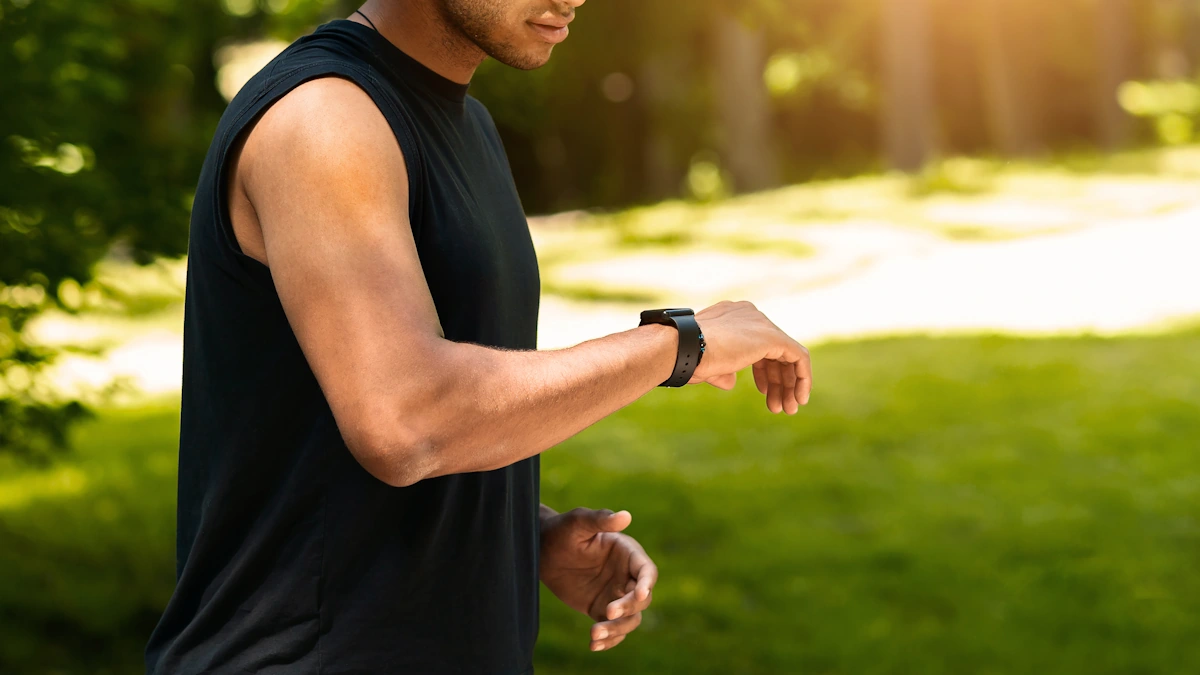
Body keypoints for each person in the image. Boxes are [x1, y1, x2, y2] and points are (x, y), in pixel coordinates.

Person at [144, 0, 812, 672]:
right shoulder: (324, 119)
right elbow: (405, 419)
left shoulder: (466, 122)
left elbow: (352, 422)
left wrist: (524, 531)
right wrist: (681, 344)